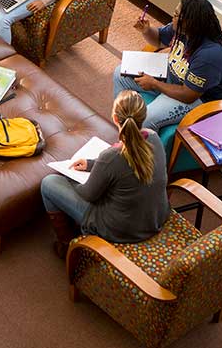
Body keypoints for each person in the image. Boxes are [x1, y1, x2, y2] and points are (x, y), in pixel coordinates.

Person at [41, 90, 170, 256]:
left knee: (49, 183)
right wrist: (91, 164)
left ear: (115, 118)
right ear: (142, 116)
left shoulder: (111, 157)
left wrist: (69, 177)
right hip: (154, 218)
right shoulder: (153, 138)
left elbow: (88, 194)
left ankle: (66, 244)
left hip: (121, 229)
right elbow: (124, 168)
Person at [113, 0, 222, 133]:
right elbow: (158, 40)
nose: (172, 17)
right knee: (119, 74)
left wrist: (154, 83)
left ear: (190, 22)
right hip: (174, 78)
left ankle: (140, 151)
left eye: (176, 15)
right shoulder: (182, 30)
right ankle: (125, 131)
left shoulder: (209, 55)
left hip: (201, 99)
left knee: (145, 118)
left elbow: (188, 95)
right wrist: (147, 30)